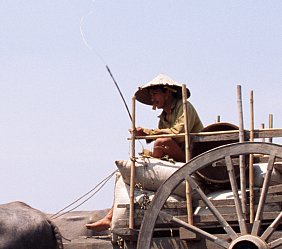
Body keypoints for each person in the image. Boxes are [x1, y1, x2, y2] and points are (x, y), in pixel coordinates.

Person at [85, 74, 202, 231]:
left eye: (155, 94)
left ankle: (150, 172)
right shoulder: (163, 117)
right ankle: (109, 217)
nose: (153, 99)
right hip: (175, 157)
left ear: (167, 92)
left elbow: (178, 132)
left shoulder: (184, 106)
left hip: (191, 157)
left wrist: (146, 132)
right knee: (128, 171)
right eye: (151, 95)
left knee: (161, 142)